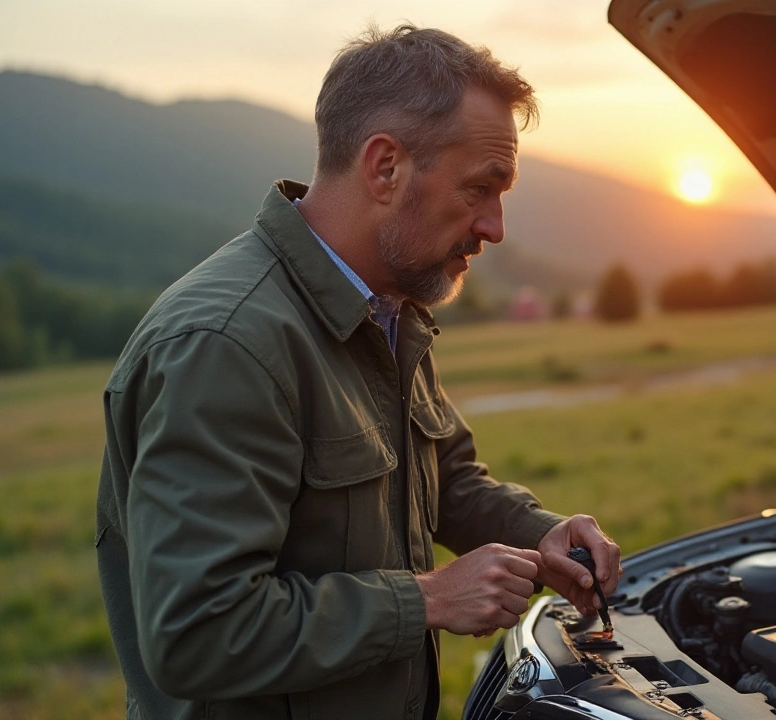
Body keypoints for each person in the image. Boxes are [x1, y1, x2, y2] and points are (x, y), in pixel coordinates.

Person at [95, 23, 621, 720]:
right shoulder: (226, 344)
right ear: (384, 167)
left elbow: (444, 478)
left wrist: (540, 534)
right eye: (480, 189)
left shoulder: (384, 306)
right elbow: (196, 631)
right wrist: (428, 597)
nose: (494, 227)